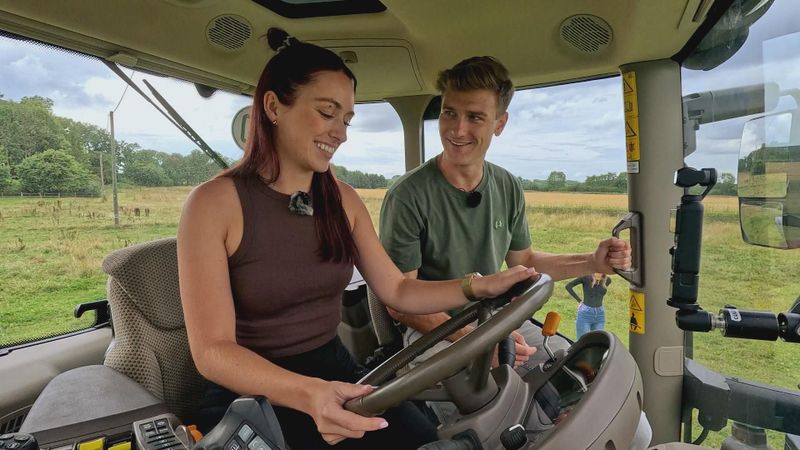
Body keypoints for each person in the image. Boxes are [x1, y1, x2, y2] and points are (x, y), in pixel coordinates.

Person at [176, 30, 537, 450]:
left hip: (334, 371)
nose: (340, 133)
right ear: (273, 107)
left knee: (426, 440)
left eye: (346, 120)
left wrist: (476, 286)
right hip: (251, 391)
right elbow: (213, 351)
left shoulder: (342, 199)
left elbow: (398, 289)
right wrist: (309, 394)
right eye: (327, 113)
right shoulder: (213, 204)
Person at [379, 56, 651, 450]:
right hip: (434, 332)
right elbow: (400, 303)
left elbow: (524, 263)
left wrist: (591, 262)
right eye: (449, 113)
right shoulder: (408, 196)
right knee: (492, 425)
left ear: (499, 123)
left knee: (591, 393)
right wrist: (477, 341)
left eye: (475, 117)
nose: (457, 129)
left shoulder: (507, 186)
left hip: (495, 321)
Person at [566, 273, 612, 338]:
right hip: (585, 314)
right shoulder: (585, 277)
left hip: (600, 314)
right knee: (583, 340)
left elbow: (598, 294)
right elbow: (568, 286)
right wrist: (579, 301)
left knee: (597, 341)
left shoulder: (607, 280)